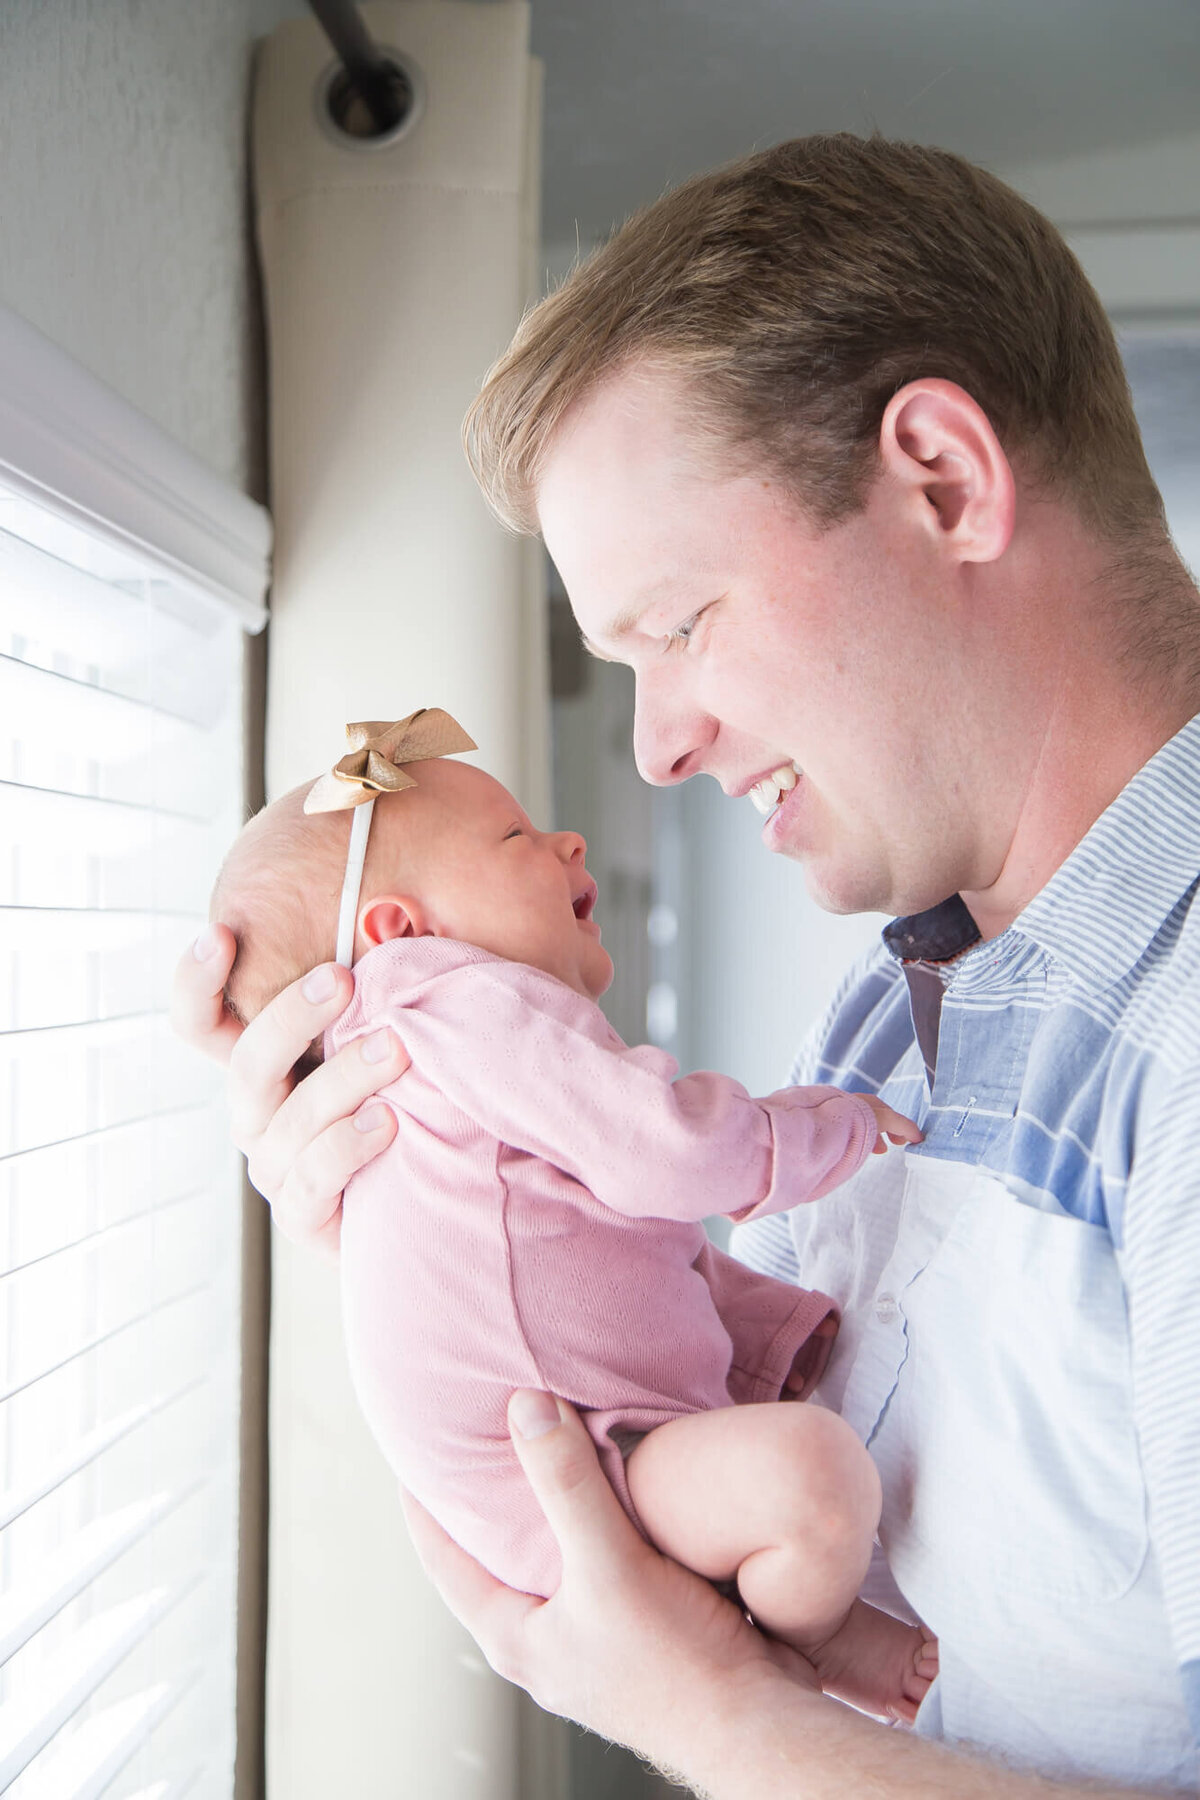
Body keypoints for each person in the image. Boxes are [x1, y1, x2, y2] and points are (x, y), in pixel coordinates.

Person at [174, 133, 1200, 1795]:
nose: (652, 750)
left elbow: (722, 1689)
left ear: (943, 479)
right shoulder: (892, 1018)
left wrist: (707, 1722)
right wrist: (424, 1204)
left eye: (678, 626)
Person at [212, 733, 932, 1720]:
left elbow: (618, 1246)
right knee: (811, 1478)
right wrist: (823, 1132)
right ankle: (820, 1642)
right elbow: (666, 1152)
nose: (569, 842)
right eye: (515, 834)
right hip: (584, 1479)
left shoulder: (424, 1091)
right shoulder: (437, 997)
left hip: (581, 1466)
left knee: (790, 1458)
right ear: (401, 930)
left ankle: (785, 1531)